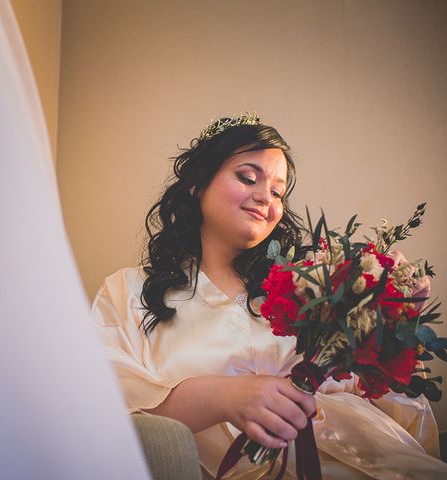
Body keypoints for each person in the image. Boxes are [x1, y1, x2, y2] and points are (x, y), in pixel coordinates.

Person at [91, 114, 447, 479]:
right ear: (198, 183)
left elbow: (393, 409)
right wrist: (226, 397)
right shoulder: (129, 292)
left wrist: (390, 319)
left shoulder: (310, 286)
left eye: (278, 192)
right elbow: (105, 401)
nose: (265, 198)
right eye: (248, 177)